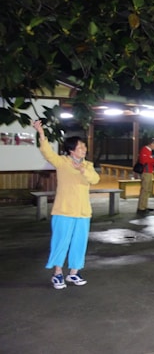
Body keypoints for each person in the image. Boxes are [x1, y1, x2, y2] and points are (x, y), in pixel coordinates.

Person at [33, 119, 100, 289]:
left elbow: (95, 179)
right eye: (80, 147)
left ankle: (74, 272)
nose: (84, 149)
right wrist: (41, 133)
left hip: (83, 211)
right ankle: (57, 274)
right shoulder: (62, 162)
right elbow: (47, 152)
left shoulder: (88, 165)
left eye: (84, 147)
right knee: (61, 242)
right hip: (64, 210)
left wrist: (83, 170)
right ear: (71, 150)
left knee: (79, 243)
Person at [136, 137, 154, 215]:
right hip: (145, 172)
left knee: (147, 189)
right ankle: (141, 207)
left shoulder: (149, 151)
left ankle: (144, 206)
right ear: (152, 143)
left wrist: (153, 161)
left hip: (148, 171)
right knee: (145, 189)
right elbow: (144, 161)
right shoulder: (145, 149)